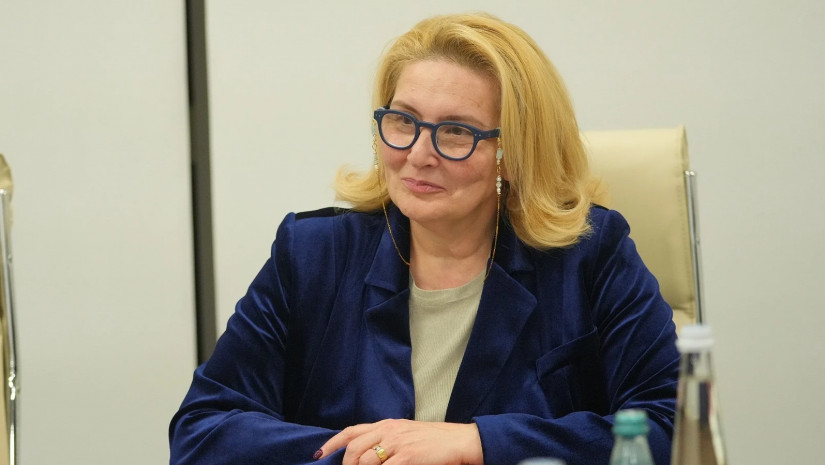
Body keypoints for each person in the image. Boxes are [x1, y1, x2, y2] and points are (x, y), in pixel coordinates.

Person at [169, 13, 679, 465]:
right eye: (403, 121)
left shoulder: (589, 256)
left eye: (456, 131)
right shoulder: (312, 255)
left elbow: (672, 428)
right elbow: (203, 432)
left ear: (515, 152)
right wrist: (373, 454)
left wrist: (477, 443)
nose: (418, 154)